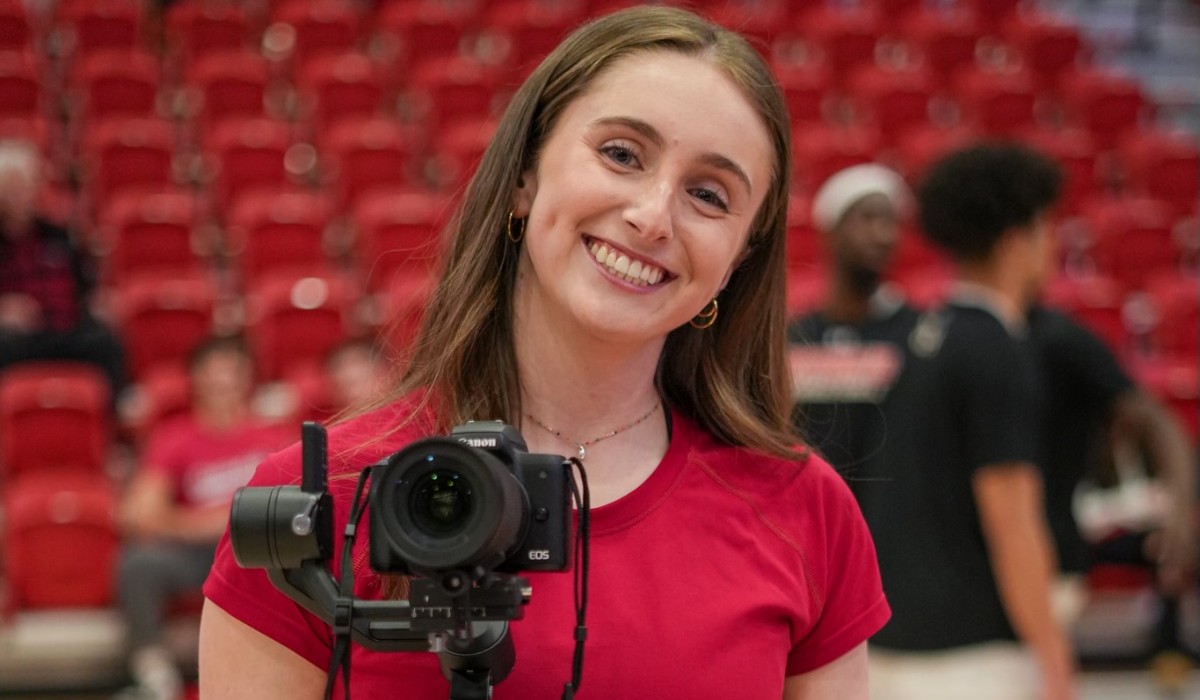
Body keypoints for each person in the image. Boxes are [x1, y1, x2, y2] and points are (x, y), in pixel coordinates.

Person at [198, 6, 890, 698]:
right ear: (525, 174)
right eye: (621, 154)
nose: (652, 216)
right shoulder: (318, 500)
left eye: (708, 195)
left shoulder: (805, 508)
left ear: (739, 260)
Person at [858, 143, 1076, 700]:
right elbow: (1012, 517)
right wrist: (1053, 657)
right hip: (971, 660)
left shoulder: (921, 334)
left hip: (888, 640)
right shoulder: (999, 348)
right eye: (1045, 227)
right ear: (1014, 241)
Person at [1028, 303, 1197, 689]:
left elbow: (1162, 428)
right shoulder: (1086, 439)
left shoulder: (1137, 431)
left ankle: (1167, 654)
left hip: (1113, 535)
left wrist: (1175, 518)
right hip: (1074, 533)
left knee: (1162, 549)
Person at [115, 335, 290, 700]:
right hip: (197, 553)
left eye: (232, 372)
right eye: (213, 372)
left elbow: (296, 508)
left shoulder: (276, 437)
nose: (223, 381)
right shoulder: (174, 437)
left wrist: (225, 522)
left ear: (248, 379)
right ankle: (153, 674)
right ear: (195, 379)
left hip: (257, 552)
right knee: (139, 564)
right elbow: (139, 514)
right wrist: (217, 520)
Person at [786, 163, 918, 482]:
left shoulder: (918, 334)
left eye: (890, 221)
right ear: (831, 231)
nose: (884, 235)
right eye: (868, 218)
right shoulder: (794, 338)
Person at [0, 138, 127, 401]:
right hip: (15, 339)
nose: (17, 194)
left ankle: (112, 425)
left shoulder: (60, 237)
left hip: (65, 331)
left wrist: (97, 303)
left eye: (24, 185)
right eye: (10, 186)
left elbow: (86, 287)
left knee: (105, 342)